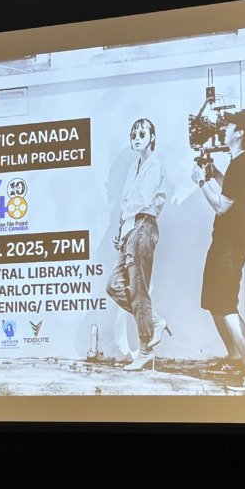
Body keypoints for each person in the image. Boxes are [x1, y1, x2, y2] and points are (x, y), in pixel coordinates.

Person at [191, 110, 245, 390]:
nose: (224, 128)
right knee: (214, 303)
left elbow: (222, 206)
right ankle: (234, 358)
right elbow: (230, 191)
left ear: (240, 132)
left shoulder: (244, 163)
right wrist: (215, 173)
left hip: (230, 246)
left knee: (227, 306)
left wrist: (200, 180)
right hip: (224, 242)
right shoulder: (240, 163)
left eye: (229, 125)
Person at [106, 118, 168, 371]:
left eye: (142, 133)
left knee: (138, 290)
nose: (136, 137)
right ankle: (154, 321)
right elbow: (127, 203)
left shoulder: (154, 165)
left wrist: (126, 229)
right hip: (132, 229)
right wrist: (122, 230)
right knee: (113, 285)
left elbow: (142, 201)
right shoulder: (136, 166)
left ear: (152, 137)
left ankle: (144, 351)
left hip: (141, 227)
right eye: (133, 134)